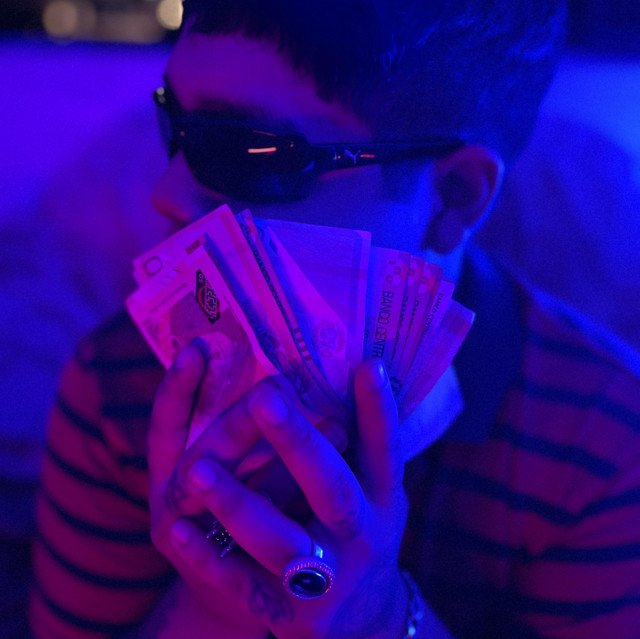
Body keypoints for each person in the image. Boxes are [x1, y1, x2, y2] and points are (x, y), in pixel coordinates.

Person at [28, 1, 640, 637]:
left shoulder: (606, 439)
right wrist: (215, 591)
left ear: (454, 196)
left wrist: (380, 620)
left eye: (249, 151)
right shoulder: (119, 381)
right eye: (176, 126)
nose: (167, 194)